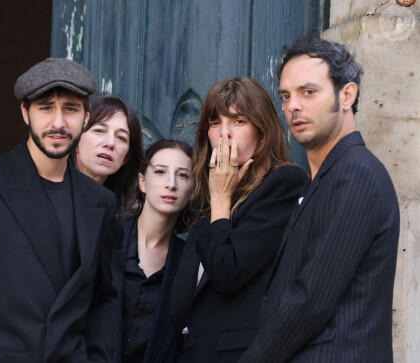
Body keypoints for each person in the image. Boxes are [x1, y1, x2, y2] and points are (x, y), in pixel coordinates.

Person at [0, 57, 122, 362]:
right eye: (46, 107)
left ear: (86, 117)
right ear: (25, 112)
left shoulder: (99, 201)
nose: (58, 123)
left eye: (71, 109)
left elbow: (104, 301)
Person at [238, 37, 400, 363]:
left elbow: (310, 299)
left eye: (308, 92)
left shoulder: (356, 174)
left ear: (347, 95)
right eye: (286, 96)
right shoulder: (326, 177)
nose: (293, 105)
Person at [170, 77, 308, 362]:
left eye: (238, 121)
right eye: (214, 123)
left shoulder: (283, 183)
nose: (224, 134)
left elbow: (227, 271)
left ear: (262, 130)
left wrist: (221, 198)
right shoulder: (208, 193)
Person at [113, 139, 194, 363]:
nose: (171, 184)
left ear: (193, 190)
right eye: (160, 172)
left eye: (183, 175)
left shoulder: (191, 262)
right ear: (142, 182)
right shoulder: (109, 238)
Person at [73, 95, 144, 218]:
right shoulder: (43, 197)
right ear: (75, 141)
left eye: (121, 138)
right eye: (99, 131)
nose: (110, 143)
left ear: (125, 158)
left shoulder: (110, 219)